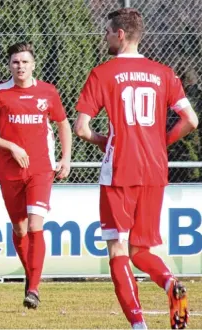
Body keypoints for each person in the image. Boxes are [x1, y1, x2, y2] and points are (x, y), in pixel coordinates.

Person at [73, 8, 198, 329]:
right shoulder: (164, 73)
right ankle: (170, 283)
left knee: (118, 248)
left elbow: (82, 129)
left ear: (120, 34)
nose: (104, 37)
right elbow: (191, 121)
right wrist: (161, 142)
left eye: (107, 31)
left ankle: (138, 325)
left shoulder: (103, 73)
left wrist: (105, 141)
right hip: (155, 170)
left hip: (120, 169)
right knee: (141, 248)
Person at [0, 41, 72, 309]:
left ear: (33, 65)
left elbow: (63, 124)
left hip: (41, 169)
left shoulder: (48, 92)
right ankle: (32, 278)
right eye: (16, 62)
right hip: (10, 171)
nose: (20, 66)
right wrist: (11, 146)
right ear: (9, 65)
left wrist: (66, 158)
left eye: (25, 62)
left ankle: (35, 288)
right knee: (19, 228)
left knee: (35, 225)